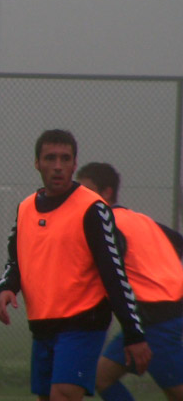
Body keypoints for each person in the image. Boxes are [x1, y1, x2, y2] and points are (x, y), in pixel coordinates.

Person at [0, 129, 151, 401]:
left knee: (63, 394)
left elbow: (114, 273)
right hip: (43, 326)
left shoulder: (92, 208)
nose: (58, 166)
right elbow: (16, 259)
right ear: (37, 163)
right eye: (50, 158)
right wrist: (7, 287)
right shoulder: (26, 208)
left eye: (65, 159)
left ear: (74, 164)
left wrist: (133, 333)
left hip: (83, 323)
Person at [76, 162, 183, 401]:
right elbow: (178, 242)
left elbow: (110, 274)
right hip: (147, 319)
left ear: (107, 193)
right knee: (100, 378)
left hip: (158, 320)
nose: (79, 198)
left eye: (86, 192)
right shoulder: (138, 219)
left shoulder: (110, 225)